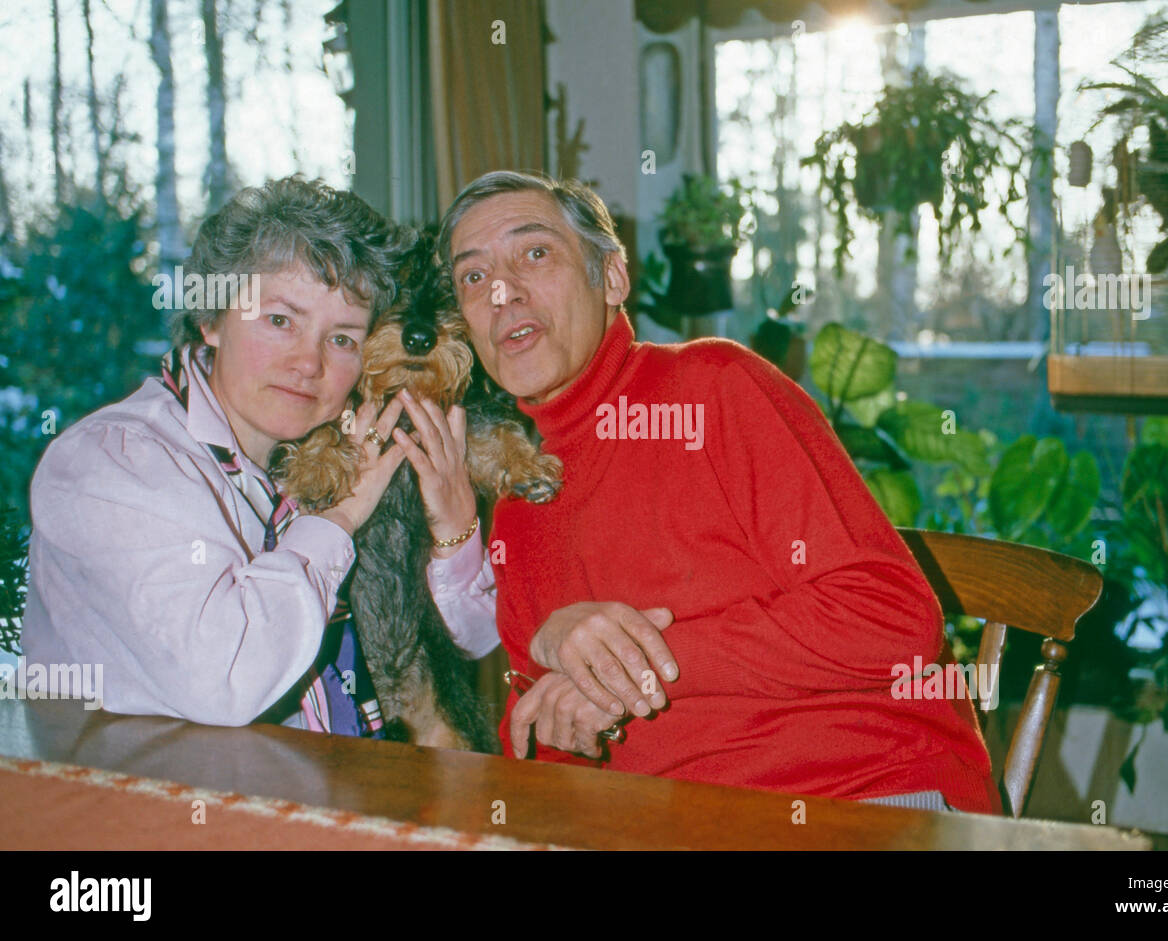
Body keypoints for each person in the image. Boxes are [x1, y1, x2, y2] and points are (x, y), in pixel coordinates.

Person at [435, 170, 1001, 813]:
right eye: (473, 278)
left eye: (536, 253)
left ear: (613, 278)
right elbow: (549, 738)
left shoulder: (714, 387)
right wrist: (571, 710)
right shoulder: (517, 500)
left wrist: (640, 661)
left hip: (861, 794)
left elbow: (895, 621)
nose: (503, 293)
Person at [22, 176, 496, 735]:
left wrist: (453, 527)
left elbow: (470, 640)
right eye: (280, 321)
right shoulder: (110, 465)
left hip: (337, 787)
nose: (309, 363)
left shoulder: (332, 452)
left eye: (343, 338)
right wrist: (338, 520)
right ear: (212, 320)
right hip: (163, 808)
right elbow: (227, 681)